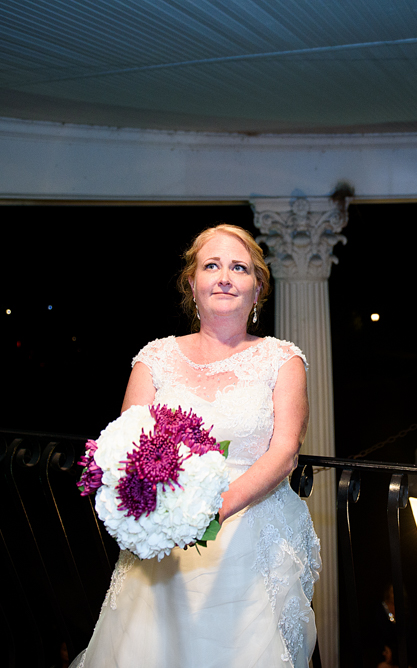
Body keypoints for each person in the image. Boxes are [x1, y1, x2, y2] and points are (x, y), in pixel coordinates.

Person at [75, 224, 321, 668]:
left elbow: (285, 453)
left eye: (239, 268)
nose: (225, 277)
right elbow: (127, 448)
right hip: (165, 543)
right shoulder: (155, 359)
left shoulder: (282, 360)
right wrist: (163, 518)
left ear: (257, 289)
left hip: (253, 535)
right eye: (212, 265)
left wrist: (212, 512)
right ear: (192, 284)